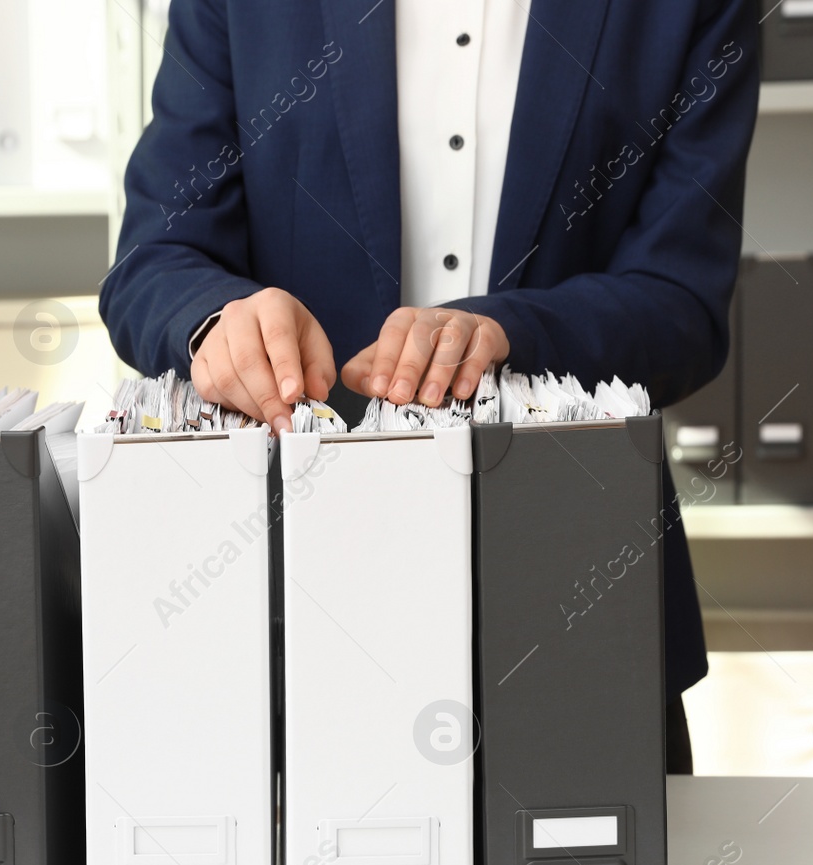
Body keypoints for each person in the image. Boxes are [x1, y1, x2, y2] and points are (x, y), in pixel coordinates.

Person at [99, 0, 761, 773]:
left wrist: (514, 332)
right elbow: (154, 256)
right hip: (295, 610)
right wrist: (216, 320)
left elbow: (682, 302)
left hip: (580, 598)